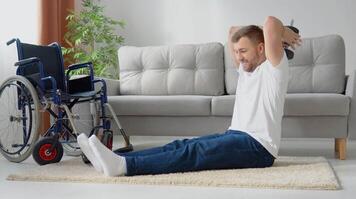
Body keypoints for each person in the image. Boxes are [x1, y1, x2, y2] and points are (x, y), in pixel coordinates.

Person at [77, 16, 301, 177]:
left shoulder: (274, 71)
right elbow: (234, 30)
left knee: (194, 152)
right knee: (181, 145)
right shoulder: (246, 69)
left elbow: (271, 23)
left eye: (243, 51)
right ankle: (114, 158)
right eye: (236, 52)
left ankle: (124, 167)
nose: (238, 57)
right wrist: (263, 35)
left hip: (258, 147)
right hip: (237, 135)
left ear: (262, 48)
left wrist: (283, 32)